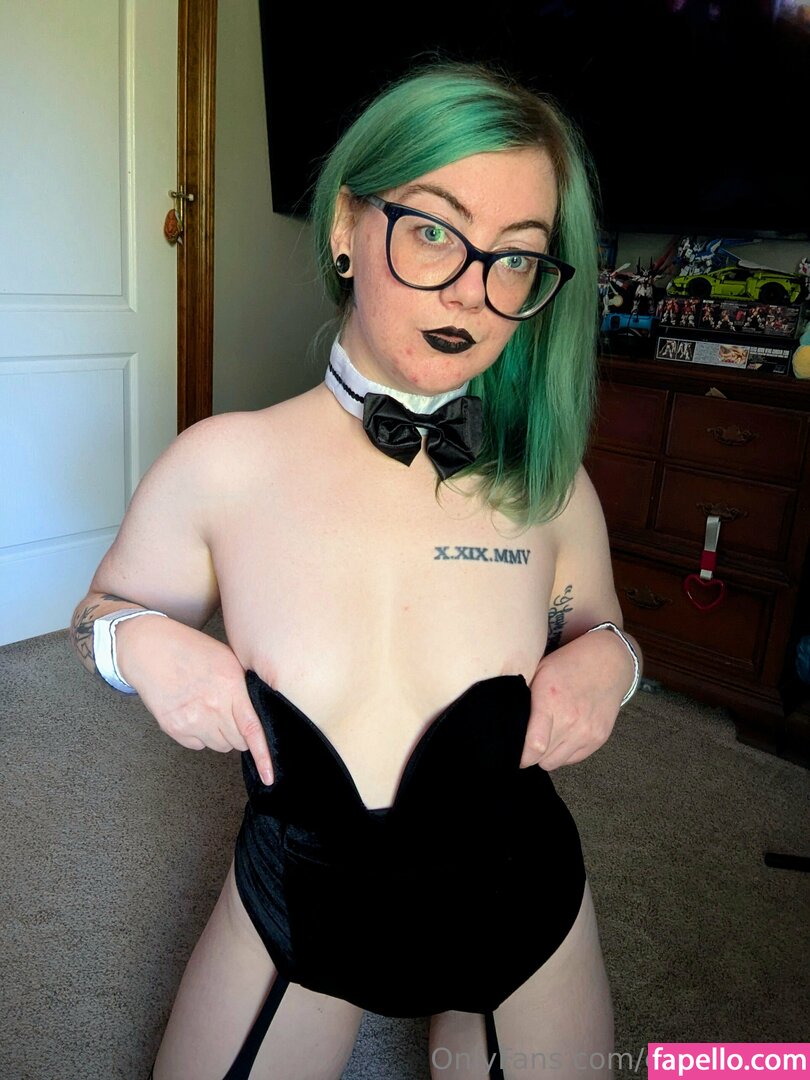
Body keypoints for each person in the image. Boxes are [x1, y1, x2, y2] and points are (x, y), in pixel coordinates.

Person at [69, 61, 642, 1080]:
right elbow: (100, 611)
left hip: (519, 900)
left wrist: (613, 664)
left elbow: (599, 623)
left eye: (516, 257)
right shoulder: (222, 465)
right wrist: (139, 643)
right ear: (345, 226)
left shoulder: (549, 487)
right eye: (433, 231)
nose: (470, 291)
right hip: (302, 899)